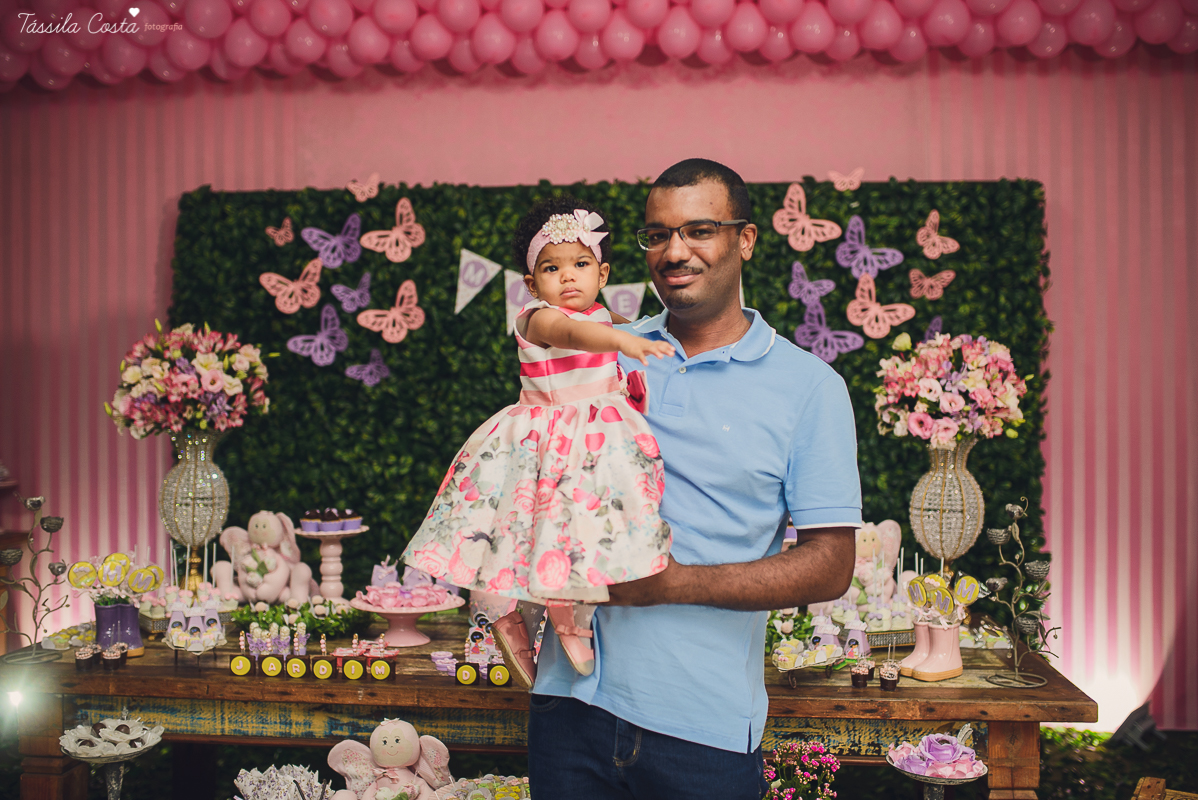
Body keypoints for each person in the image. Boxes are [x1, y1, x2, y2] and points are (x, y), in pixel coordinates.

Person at [527, 159, 862, 800]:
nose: (674, 251)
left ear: (746, 239)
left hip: (699, 731)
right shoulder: (601, 350)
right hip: (567, 707)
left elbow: (830, 565)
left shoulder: (811, 389)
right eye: (656, 235)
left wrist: (675, 584)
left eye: (699, 230)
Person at [403, 196, 676, 687]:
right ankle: (524, 617)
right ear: (531, 284)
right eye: (552, 268)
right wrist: (621, 341)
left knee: (589, 531)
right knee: (527, 535)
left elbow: (603, 338)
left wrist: (626, 350)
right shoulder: (538, 317)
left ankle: (561, 617)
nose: (568, 277)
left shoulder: (605, 317)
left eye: (580, 263)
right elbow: (571, 333)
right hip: (546, 441)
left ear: (603, 271)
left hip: (597, 444)